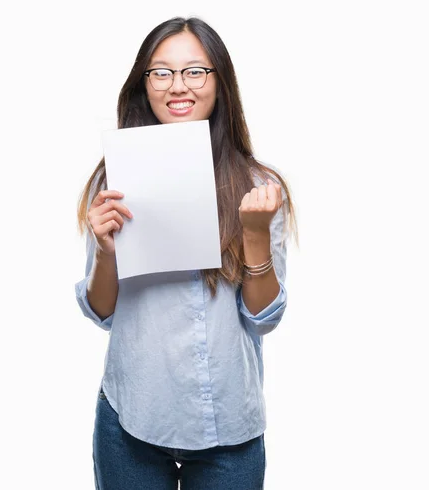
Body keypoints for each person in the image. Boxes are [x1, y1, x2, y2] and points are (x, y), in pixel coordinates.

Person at [75, 16, 297, 490]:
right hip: (132, 416)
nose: (178, 85)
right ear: (145, 83)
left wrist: (254, 234)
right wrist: (106, 252)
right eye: (162, 72)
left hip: (229, 428)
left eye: (195, 70)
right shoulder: (112, 180)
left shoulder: (260, 186)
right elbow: (101, 311)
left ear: (220, 81)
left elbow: (264, 318)